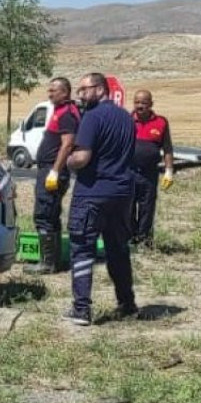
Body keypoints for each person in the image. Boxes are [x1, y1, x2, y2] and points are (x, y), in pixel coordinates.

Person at [63, 73, 137, 326]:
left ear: (99, 89)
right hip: (123, 192)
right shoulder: (126, 118)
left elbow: (82, 157)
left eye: (84, 90)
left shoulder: (92, 118)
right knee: (118, 249)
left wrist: (67, 162)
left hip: (93, 193)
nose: (80, 95)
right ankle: (127, 303)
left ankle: (81, 309)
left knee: (82, 248)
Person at [25, 77, 80, 275]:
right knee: (51, 215)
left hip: (52, 170)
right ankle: (54, 261)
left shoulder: (66, 114)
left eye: (53, 91)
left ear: (65, 92)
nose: (49, 94)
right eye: (49, 90)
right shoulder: (59, 110)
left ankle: (47, 263)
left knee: (44, 214)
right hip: (47, 168)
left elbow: (67, 144)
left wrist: (55, 171)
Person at [130, 90, 175, 246]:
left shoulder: (161, 122)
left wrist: (169, 171)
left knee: (147, 208)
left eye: (143, 103)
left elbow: (168, 148)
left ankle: (144, 241)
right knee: (127, 208)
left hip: (149, 174)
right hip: (128, 173)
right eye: (137, 102)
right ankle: (130, 239)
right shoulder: (127, 120)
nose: (139, 106)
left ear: (151, 104)